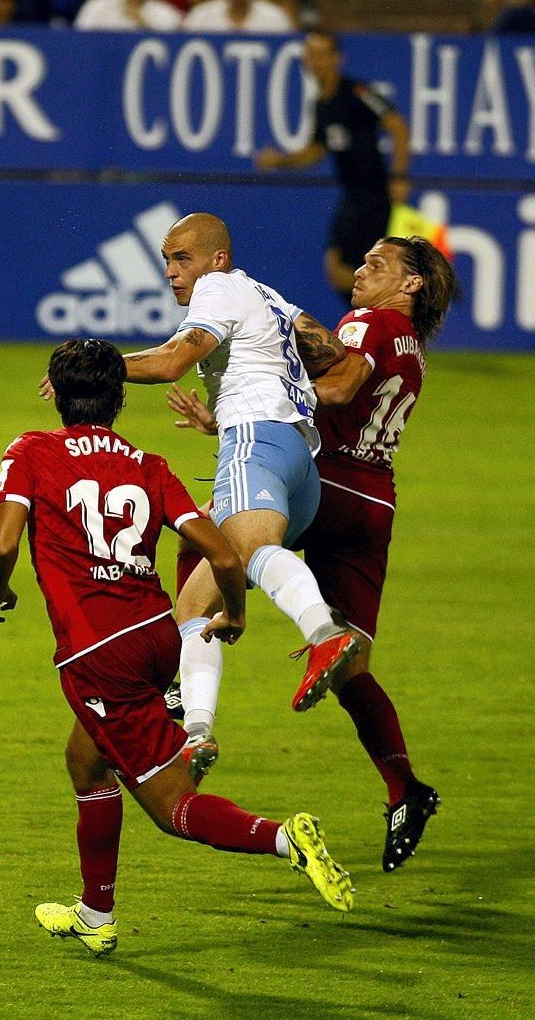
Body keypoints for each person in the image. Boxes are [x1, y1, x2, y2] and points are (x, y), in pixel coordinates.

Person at [0, 338, 354, 956]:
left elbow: (3, 545)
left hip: (97, 654)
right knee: (86, 759)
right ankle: (94, 913)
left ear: (57, 394)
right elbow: (223, 552)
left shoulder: (31, 451)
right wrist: (233, 612)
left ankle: (284, 838)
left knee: (172, 807)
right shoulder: (149, 466)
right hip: (158, 639)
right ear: (121, 398)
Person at [167, 235, 457, 872]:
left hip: (325, 483)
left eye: (378, 265)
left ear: (411, 285)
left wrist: (262, 402)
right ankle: (405, 787)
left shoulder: (370, 322)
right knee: (354, 670)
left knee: (213, 553)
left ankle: (181, 700)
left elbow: (340, 385)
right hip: (374, 503)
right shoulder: (413, 349)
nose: (360, 271)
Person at [103, 213, 361, 773]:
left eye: (183, 259)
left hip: (255, 444)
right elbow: (332, 356)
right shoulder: (262, 293)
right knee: (195, 605)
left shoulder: (216, 288)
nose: (172, 272)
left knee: (248, 553)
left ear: (217, 258)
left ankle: (323, 633)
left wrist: (93, 367)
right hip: (296, 461)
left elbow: (173, 361)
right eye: (167, 260)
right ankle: (196, 733)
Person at [255, 30, 410, 305]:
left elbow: (397, 126)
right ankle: (383, 312)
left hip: (372, 193)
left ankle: (397, 303)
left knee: (343, 268)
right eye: (310, 54)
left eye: (321, 54)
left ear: (337, 59)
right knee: (341, 270)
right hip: (352, 194)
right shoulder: (321, 104)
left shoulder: (358, 92)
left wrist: (398, 175)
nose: (314, 61)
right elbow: (315, 151)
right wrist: (280, 160)